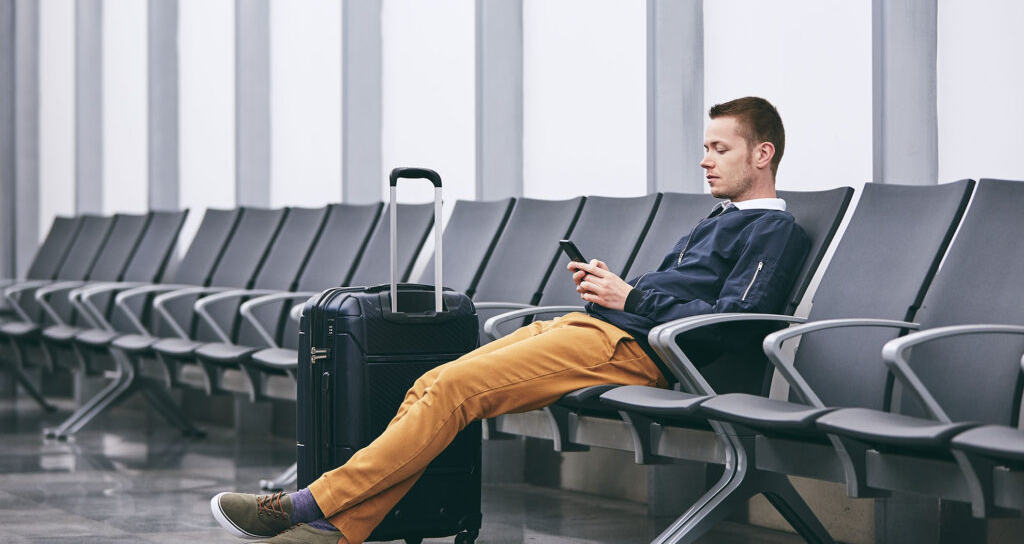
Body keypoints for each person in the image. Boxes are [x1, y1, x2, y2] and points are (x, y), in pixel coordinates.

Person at [209, 96, 810, 544]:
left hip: (636, 353)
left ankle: (303, 508)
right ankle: (340, 528)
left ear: (764, 153)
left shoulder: (773, 230)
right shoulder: (717, 219)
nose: (705, 160)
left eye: (720, 149)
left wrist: (632, 299)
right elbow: (676, 296)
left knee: (451, 388)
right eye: (704, 147)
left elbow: (733, 322)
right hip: (598, 329)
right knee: (433, 381)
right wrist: (613, 290)